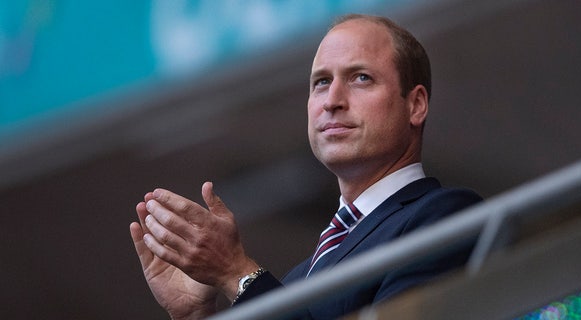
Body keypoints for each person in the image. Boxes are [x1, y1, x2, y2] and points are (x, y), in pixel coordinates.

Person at [130, 14, 482, 320]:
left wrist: (235, 272)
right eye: (321, 82)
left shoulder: (444, 216)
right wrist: (195, 315)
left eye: (360, 78)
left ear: (416, 105)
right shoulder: (298, 278)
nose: (332, 100)